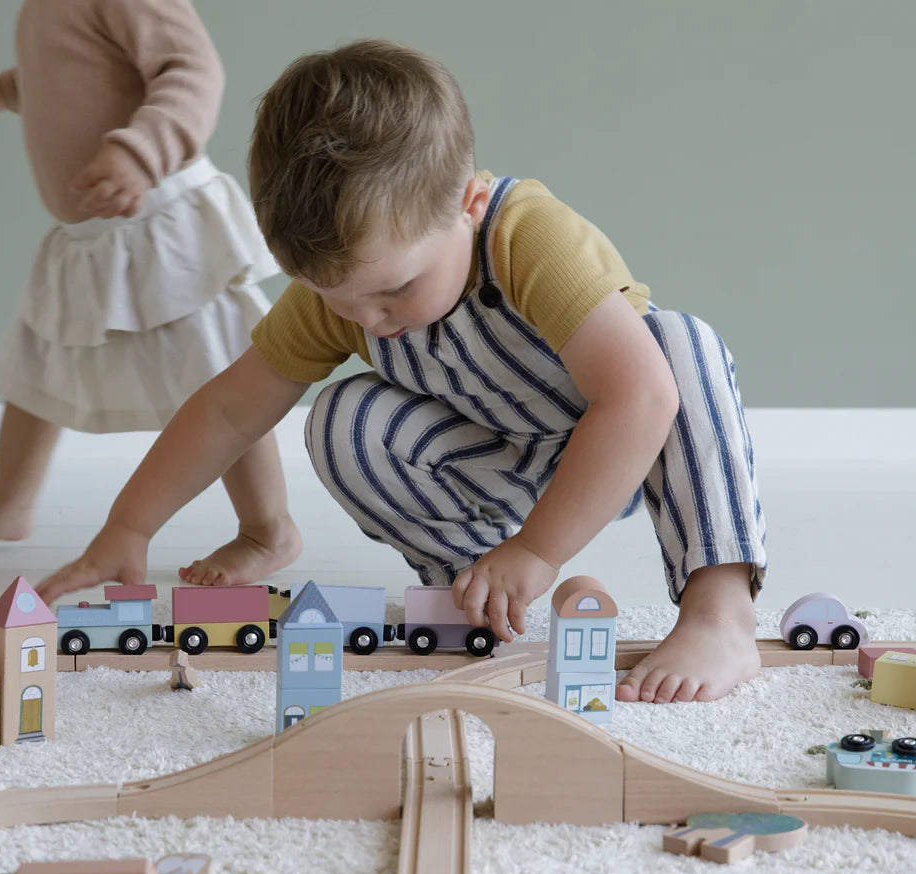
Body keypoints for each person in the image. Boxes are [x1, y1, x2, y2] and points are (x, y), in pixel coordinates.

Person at [37, 39, 768, 704]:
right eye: (339, 300)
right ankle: (473, 589)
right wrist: (128, 527)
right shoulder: (346, 297)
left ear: (469, 206)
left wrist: (539, 551)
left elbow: (638, 400)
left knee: (677, 346)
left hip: (624, 440)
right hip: (493, 458)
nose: (371, 320)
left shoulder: (527, 237)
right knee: (343, 420)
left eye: (394, 291)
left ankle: (719, 612)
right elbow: (229, 411)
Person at [0, 0, 302, 587]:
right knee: (38, 361)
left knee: (218, 379)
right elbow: (71, 80)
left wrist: (138, 151)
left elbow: (193, 70)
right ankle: (8, 502)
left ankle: (267, 528)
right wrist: (2, 89)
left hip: (158, 221)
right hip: (92, 237)